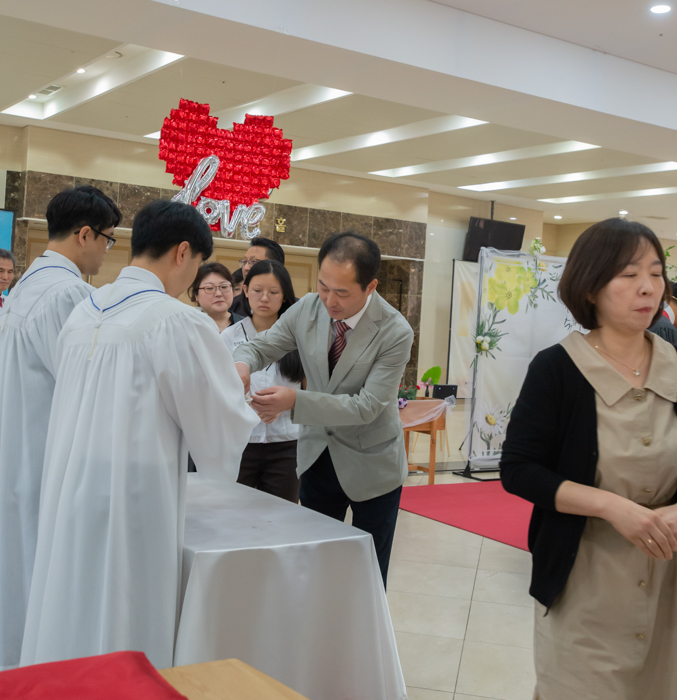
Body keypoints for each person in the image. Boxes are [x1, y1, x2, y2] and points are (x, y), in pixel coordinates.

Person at [20, 200, 259, 670]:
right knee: (122, 614)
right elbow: (218, 426)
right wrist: (238, 391)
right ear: (183, 252)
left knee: (74, 604)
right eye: (195, 271)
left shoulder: (83, 311)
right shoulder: (175, 320)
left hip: (71, 490)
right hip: (132, 501)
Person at [501, 218, 677, 700]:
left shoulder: (675, 361)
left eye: (656, 272)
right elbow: (518, 469)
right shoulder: (558, 368)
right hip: (587, 577)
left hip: (668, 579)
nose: (647, 287)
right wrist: (612, 506)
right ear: (591, 286)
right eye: (627, 274)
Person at [233, 232, 414, 587]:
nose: (329, 300)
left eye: (342, 292)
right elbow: (263, 346)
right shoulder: (308, 308)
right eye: (323, 286)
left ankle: (362, 641)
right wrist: (241, 365)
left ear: (371, 286)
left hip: (372, 465)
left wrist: (294, 401)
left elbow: (367, 407)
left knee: (367, 574)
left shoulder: (395, 332)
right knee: (314, 565)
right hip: (317, 455)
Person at [0, 185, 119, 671]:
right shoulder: (69, 292)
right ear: (85, 233)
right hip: (43, 456)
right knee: (40, 581)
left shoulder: (26, 284)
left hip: (19, 449)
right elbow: (86, 383)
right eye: (108, 239)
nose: (107, 251)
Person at [223, 260, 304, 502]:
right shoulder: (228, 337)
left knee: (281, 517)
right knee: (235, 513)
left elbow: (312, 389)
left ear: (285, 296)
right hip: (241, 443)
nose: (264, 298)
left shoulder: (299, 336)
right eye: (257, 291)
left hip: (287, 443)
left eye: (273, 292)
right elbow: (218, 389)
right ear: (246, 292)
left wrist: (284, 405)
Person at [229, 237, 285, 316]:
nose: (246, 268)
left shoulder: (295, 310)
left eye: (253, 262)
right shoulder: (232, 307)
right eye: (244, 262)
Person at [188, 262, 243, 332]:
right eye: (209, 288)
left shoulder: (246, 325)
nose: (218, 294)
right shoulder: (188, 326)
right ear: (196, 295)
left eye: (224, 287)